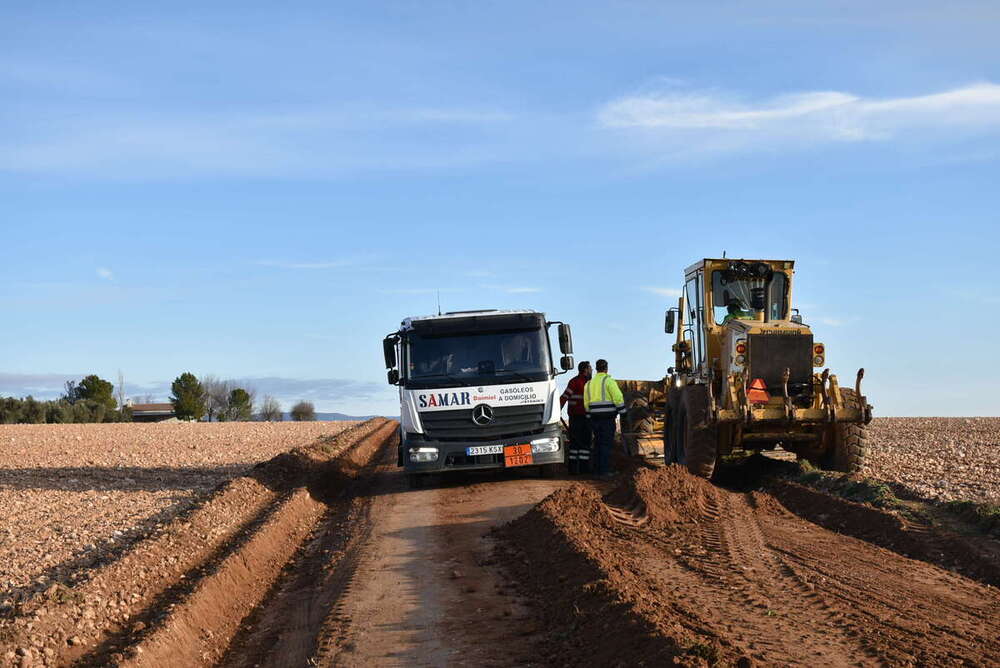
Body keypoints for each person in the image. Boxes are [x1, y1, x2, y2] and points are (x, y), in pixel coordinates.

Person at [584, 359, 625, 479]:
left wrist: (588, 416)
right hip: (607, 419)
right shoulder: (609, 381)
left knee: (597, 444)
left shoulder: (589, 384)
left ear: (596, 369)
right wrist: (623, 412)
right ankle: (605, 472)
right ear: (606, 368)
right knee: (606, 445)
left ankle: (596, 472)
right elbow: (618, 397)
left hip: (594, 419)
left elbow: (586, 402)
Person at [560, 360, 593, 474]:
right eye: (590, 368)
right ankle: (579, 470)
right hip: (579, 418)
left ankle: (578, 470)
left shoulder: (577, 382)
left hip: (580, 418)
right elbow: (564, 397)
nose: (591, 370)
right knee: (580, 444)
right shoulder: (577, 382)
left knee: (581, 444)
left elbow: (564, 397)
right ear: (585, 370)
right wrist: (557, 409)